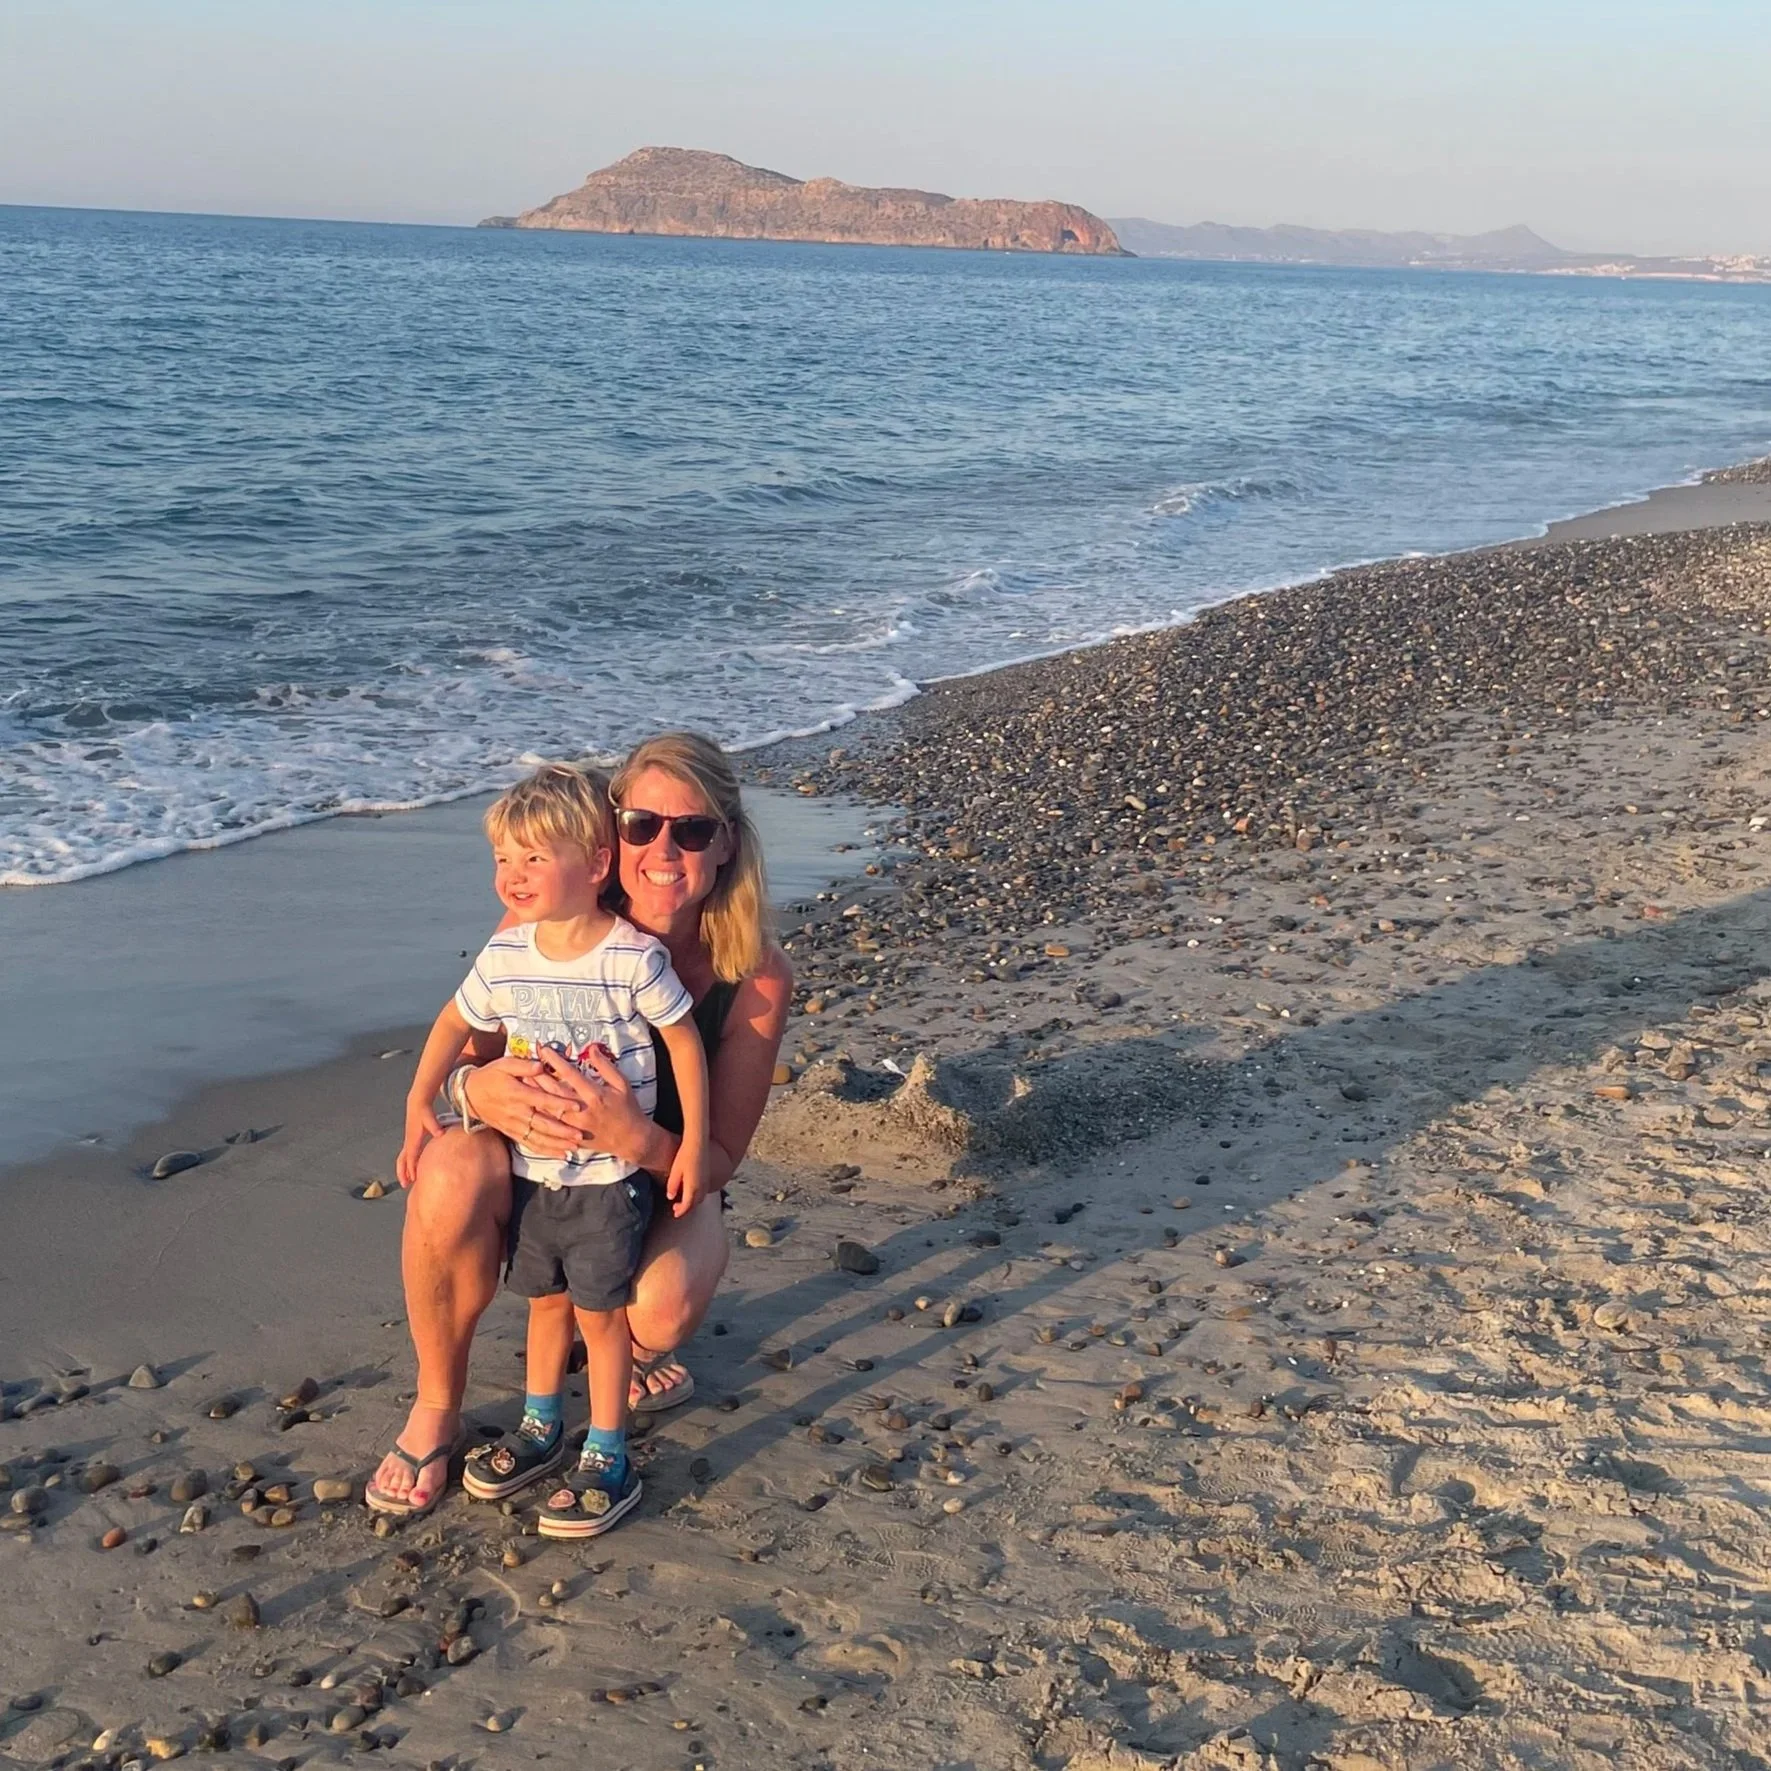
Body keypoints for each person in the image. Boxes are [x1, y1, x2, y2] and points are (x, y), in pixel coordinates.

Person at [367, 732, 793, 1515]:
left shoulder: (751, 972)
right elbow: (471, 1040)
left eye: (692, 830)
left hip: (655, 1178)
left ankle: (619, 1362)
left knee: (659, 1307)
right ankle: (436, 1402)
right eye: (642, 825)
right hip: (535, 1164)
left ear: (726, 841)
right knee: (450, 1168)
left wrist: (633, 1136)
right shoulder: (547, 921)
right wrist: (473, 1089)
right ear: (608, 838)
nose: (664, 849)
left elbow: (720, 1156)